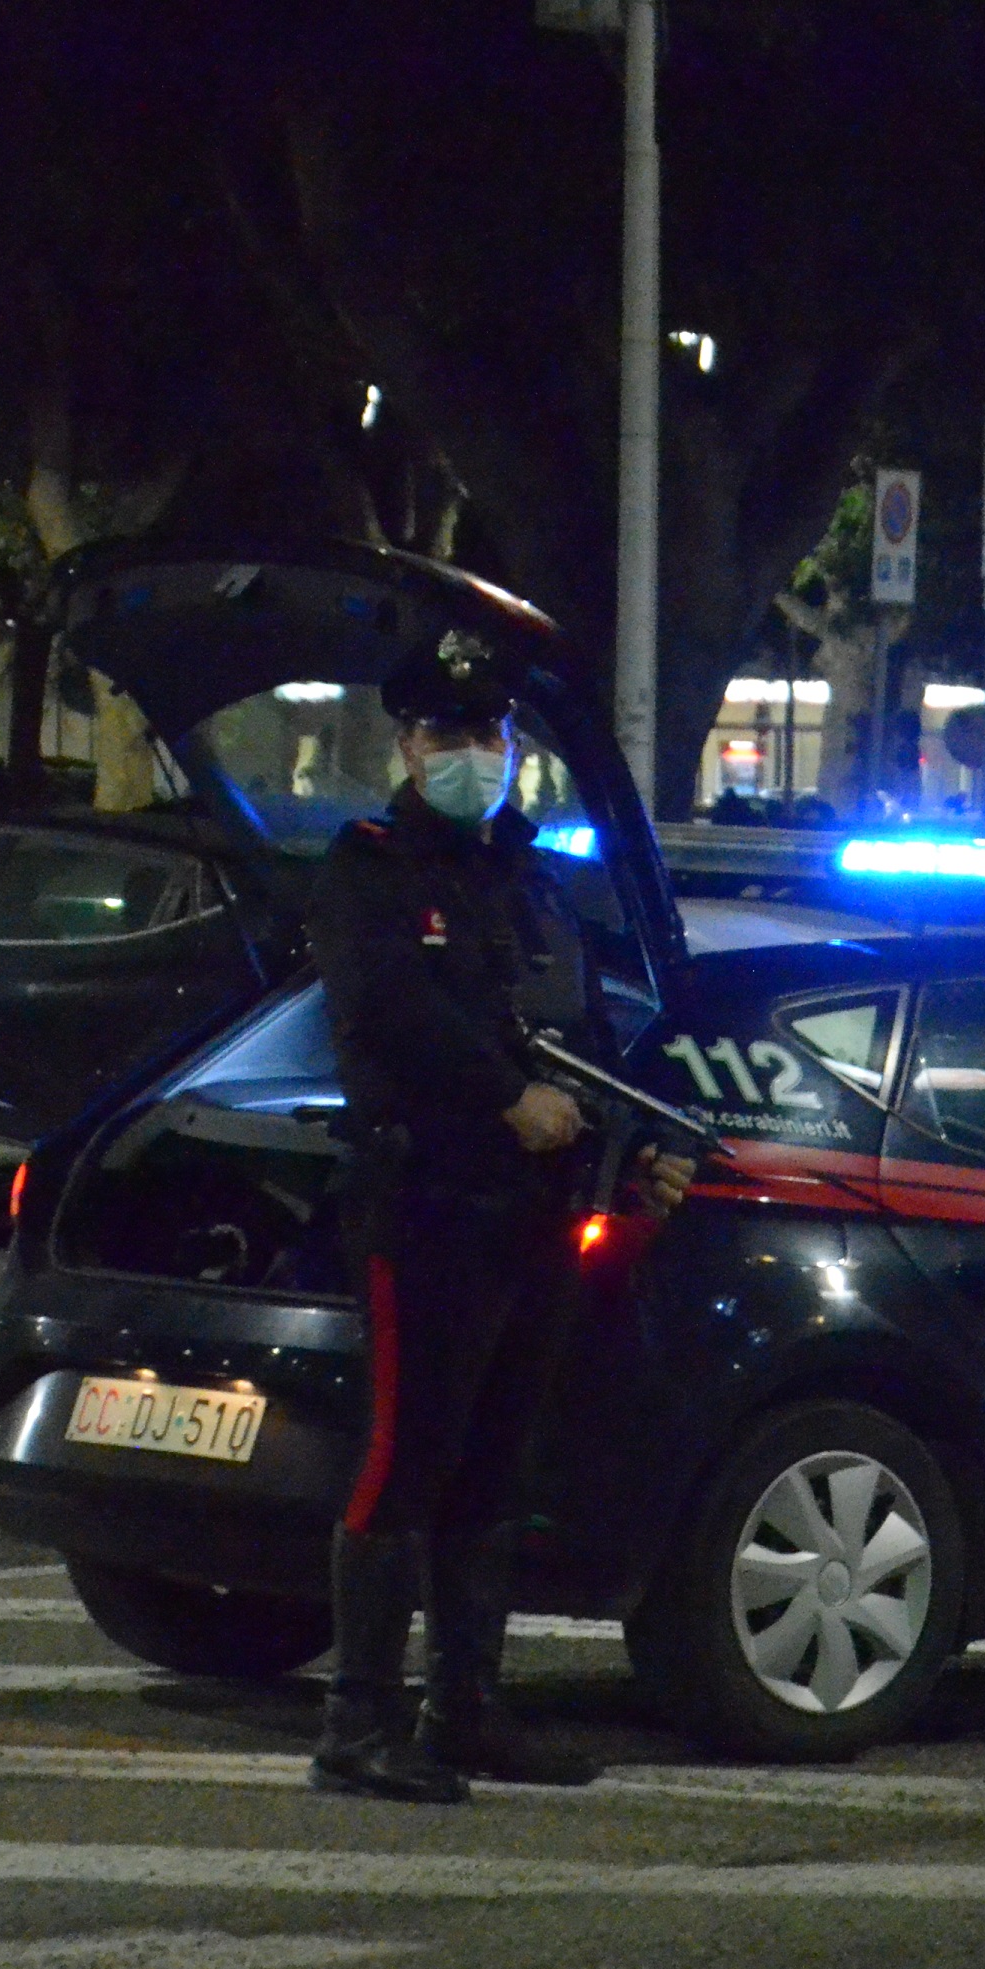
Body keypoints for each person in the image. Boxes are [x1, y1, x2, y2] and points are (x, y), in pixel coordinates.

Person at [305, 629, 688, 1802]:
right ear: (405, 746)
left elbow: (579, 1031)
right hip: (425, 1201)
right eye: (450, 736)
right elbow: (391, 1010)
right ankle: (355, 1728)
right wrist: (502, 1097)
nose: (476, 753)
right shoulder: (369, 868)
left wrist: (642, 1143)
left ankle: (464, 1708)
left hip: (530, 1211)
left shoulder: (525, 874)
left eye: (491, 734)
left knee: (491, 1467)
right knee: (404, 1463)